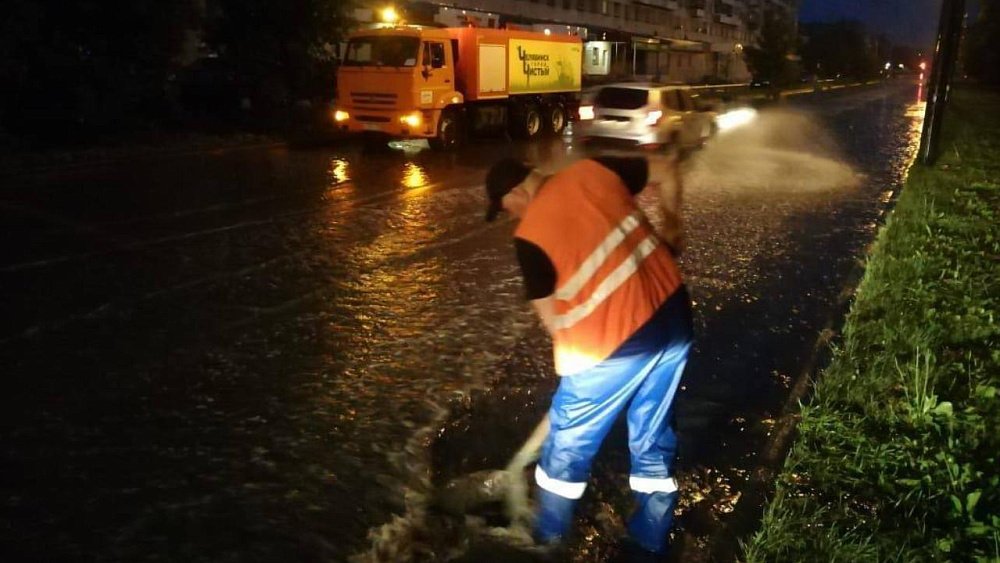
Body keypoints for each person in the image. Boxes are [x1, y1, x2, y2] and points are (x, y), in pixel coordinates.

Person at [483, 155, 693, 557]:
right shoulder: (595, 170)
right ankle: (649, 540)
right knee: (652, 432)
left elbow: (557, 325)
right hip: (673, 318)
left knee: (567, 448)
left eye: (504, 208)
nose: (509, 217)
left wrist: (575, 383)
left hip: (614, 344)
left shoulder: (530, 237)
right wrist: (671, 221)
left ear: (516, 191)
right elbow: (666, 168)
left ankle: (547, 541)